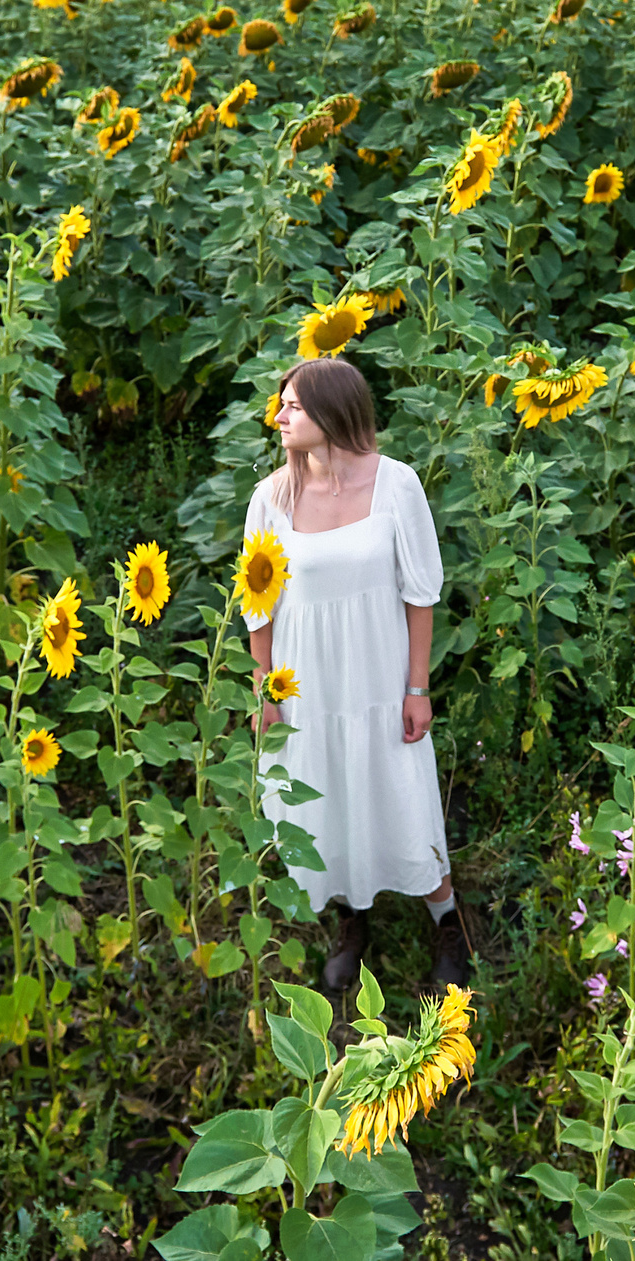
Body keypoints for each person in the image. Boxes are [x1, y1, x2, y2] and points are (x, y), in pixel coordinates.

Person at [246, 356, 469, 992]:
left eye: (294, 405)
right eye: (281, 404)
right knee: (325, 794)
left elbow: (418, 592)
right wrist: (263, 689)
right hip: (306, 688)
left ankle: (447, 921)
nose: (281, 417)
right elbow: (258, 604)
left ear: (335, 412)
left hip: (379, 679)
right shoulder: (272, 498)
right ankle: (352, 917)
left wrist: (417, 686)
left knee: (404, 796)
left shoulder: (396, 485)